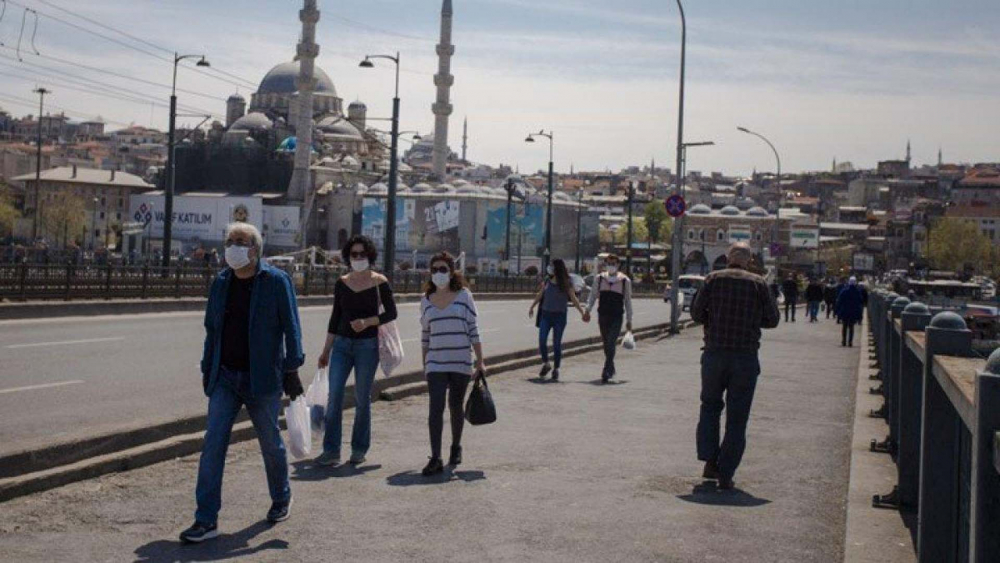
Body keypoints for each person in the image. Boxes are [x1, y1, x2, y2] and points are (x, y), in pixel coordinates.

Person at [181, 223, 305, 543]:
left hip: (262, 379)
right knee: (213, 446)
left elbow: (292, 328)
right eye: (230, 241)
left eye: (241, 241)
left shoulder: (277, 282)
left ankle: (281, 497)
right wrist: (209, 370)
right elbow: (212, 330)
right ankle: (206, 519)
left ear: (256, 249)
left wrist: (292, 368)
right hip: (225, 376)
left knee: (270, 445)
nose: (234, 246)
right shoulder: (222, 282)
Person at [691, 243, 780, 490]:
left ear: (728, 258)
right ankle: (726, 472)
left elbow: (696, 314)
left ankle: (710, 461)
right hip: (745, 357)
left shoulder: (712, 279)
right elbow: (772, 320)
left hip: (714, 354)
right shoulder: (758, 283)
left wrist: (714, 321)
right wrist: (752, 321)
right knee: (737, 417)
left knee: (709, 407)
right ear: (749, 260)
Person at [314, 235, 398, 467]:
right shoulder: (342, 282)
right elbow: (335, 318)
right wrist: (325, 351)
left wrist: (369, 322)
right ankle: (331, 451)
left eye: (363, 254)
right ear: (348, 257)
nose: (358, 258)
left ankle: (359, 449)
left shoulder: (380, 281)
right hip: (341, 345)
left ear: (370, 256)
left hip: (367, 346)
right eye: (354, 254)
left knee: (362, 398)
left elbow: (391, 313)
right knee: (335, 397)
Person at [420, 251, 486, 476]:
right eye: (435, 269)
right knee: (435, 409)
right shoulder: (426, 300)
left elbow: (473, 329)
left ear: (451, 272)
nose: (439, 273)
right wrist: (425, 363)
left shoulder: (464, 296)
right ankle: (435, 457)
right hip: (436, 364)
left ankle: (456, 446)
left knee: (455, 405)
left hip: (460, 361)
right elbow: (425, 334)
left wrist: (480, 361)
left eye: (443, 269)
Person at [529, 258, 587, 381]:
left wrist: (582, 312)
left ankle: (556, 368)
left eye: (552, 265)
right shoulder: (547, 280)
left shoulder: (567, 282)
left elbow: (574, 298)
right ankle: (546, 363)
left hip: (559, 316)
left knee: (556, 343)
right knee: (542, 340)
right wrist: (532, 306)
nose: (549, 267)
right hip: (546, 314)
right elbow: (540, 294)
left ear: (557, 268)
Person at [583, 254, 633, 383]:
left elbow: (627, 300)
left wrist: (629, 320)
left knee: (611, 341)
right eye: (609, 263)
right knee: (606, 343)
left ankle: (606, 369)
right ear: (605, 264)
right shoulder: (599, 279)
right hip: (603, 315)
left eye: (614, 263)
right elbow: (593, 295)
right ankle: (611, 367)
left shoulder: (624, 281)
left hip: (616, 316)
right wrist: (587, 310)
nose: (611, 265)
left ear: (618, 265)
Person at [836, 277, 865, 347]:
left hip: (845, 311)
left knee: (844, 326)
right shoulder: (857, 291)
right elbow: (861, 301)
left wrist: (838, 311)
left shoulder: (844, 291)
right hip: (853, 312)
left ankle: (843, 341)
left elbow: (839, 301)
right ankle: (850, 342)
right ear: (855, 283)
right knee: (851, 327)